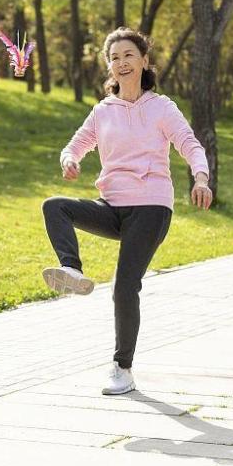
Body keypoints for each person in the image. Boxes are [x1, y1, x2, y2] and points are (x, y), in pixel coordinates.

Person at [41, 28, 212, 395]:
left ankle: (122, 368)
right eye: (114, 57)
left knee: (124, 286)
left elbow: (189, 144)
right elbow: (76, 144)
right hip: (113, 205)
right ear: (109, 67)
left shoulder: (161, 107)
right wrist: (70, 159)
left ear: (144, 61)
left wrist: (200, 179)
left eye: (129, 55)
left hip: (151, 206)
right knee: (55, 207)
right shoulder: (103, 111)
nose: (122, 63)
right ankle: (71, 268)